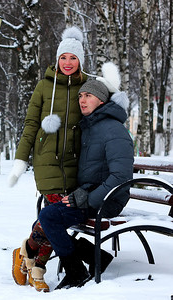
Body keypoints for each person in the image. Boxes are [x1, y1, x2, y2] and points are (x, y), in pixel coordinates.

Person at [38, 62, 134, 289]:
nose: (82, 100)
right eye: (81, 95)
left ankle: (76, 273)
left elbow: (121, 177)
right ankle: (96, 257)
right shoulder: (91, 126)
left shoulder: (114, 130)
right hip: (92, 194)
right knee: (43, 219)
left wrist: (87, 198)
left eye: (88, 95)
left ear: (101, 100)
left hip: (109, 200)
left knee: (50, 218)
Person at [9, 26, 88, 292]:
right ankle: (38, 269)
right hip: (47, 163)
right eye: (63, 57)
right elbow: (31, 124)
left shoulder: (87, 87)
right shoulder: (44, 86)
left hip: (75, 165)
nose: (67, 62)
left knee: (51, 218)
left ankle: (27, 254)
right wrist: (21, 160)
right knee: (54, 214)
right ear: (57, 59)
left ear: (80, 61)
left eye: (73, 58)